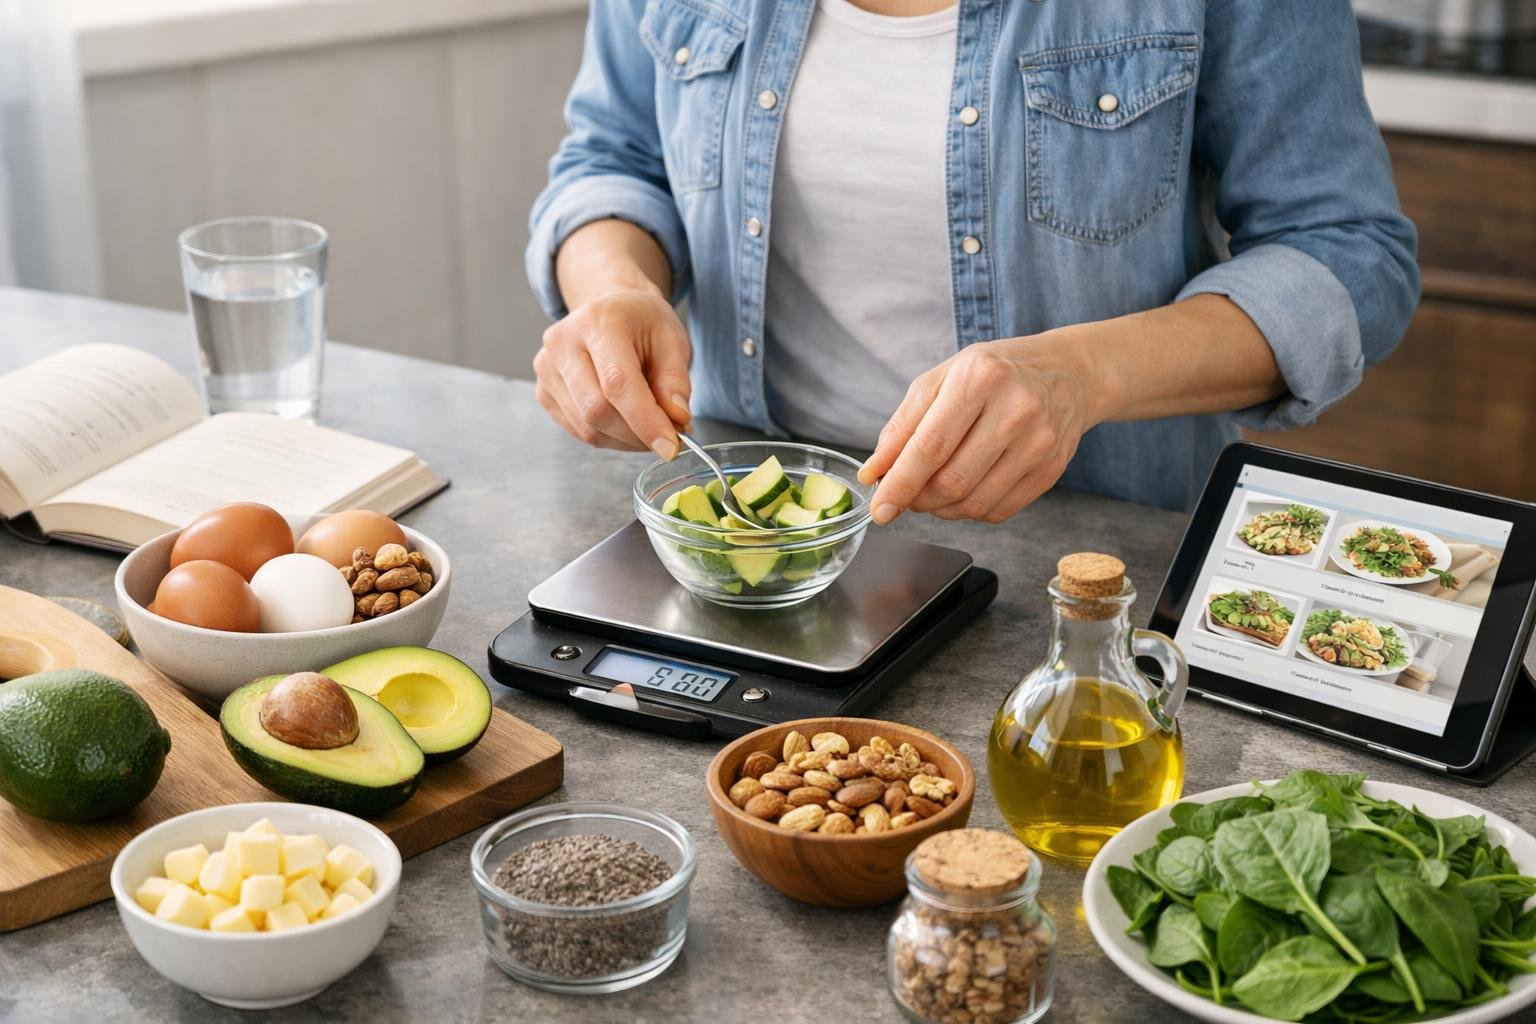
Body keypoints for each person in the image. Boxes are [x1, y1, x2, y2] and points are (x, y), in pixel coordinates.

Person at [526, 0, 1418, 522]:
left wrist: (1083, 375)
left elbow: (1346, 251)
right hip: (749, 534)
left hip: (1092, 560)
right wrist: (613, 288)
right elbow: (615, 158)